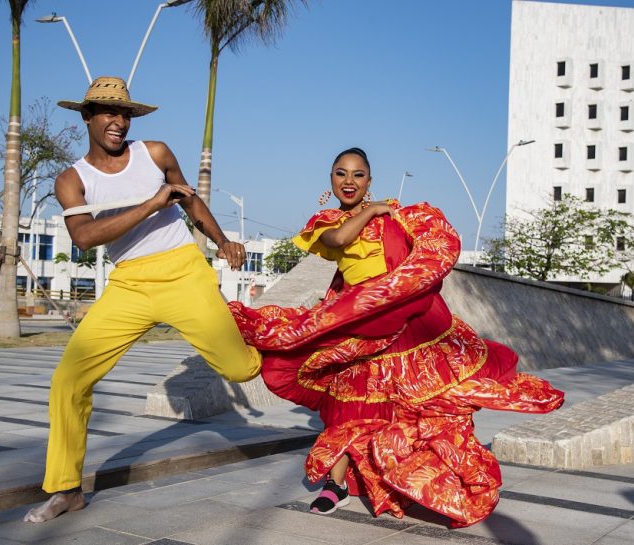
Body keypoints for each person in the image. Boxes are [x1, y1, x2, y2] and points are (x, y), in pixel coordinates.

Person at [229, 147, 564, 526]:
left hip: (404, 325)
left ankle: (408, 480)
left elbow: (435, 248)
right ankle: (334, 485)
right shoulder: (325, 220)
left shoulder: (400, 217)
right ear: (331, 181)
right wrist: (371, 212)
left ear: (369, 181)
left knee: (411, 406)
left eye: (358, 175)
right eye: (341, 174)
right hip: (356, 327)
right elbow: (338, 241)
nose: (349, 181)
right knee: (346, 408)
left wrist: (406, 260)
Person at [24, 76, 261, 523]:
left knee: (240, 368)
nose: (118, 121)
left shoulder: (155, 153)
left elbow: (189, 201)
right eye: (108, 112)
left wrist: (222, 241)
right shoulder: (73, 179)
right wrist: (153, 203)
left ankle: (274, 332)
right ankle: (67, 489)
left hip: (183, 273)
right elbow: (85, 238)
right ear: (86, 116)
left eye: (125, 113)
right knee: (68, 382)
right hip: (129, 285)